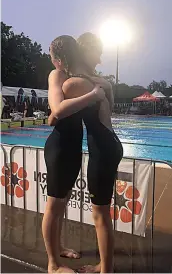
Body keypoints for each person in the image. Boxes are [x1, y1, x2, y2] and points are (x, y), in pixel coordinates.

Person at [48, 33, 123, 273]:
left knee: (100, 215)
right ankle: (99, 266)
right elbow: (108, 106)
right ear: (84, 53)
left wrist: (53, 115)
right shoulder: (99, 83)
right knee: (96, 212)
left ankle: (105, 270)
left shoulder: (74, 83)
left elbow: (56, 113)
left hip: (101, 149)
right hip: (107, 145)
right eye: (97, 53)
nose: (100, 59)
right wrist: (101, 89)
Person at [43, 35, 105, 273]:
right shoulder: (56, 75)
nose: (50, 60)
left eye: (51, 55)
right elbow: (58, 109)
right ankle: (53, 264)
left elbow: (54, 116)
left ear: (61, 58)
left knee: (62, 204)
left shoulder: (73, 78)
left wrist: (56, 115)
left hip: (72, 146)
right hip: (59, 148)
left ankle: (57, 249)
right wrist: (92, 96)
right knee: (54, 206)